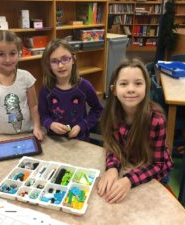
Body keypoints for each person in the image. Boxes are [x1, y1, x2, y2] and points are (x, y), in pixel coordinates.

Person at [97, 58, 173, 204]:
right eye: (124, 84)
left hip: (155, 174)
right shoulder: (112, 114)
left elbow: (158, 165)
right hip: (129, 166)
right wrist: (112, 168)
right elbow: (113, 147)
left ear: (146, 87)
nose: (131, 89)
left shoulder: (157, 120)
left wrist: (129, 180)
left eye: (138, 83)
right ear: (114, 90)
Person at [38, 39, 103, 141]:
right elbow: (43, 116)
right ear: (49, 65)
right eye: (54, 61)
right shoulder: (45, 89)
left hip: (80, 141)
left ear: (73, 59)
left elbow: (97, 109)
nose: (60, 65)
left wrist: (81, 126)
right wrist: (50, 124)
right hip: (55, 141)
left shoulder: (84, 86)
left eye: (65, 59)